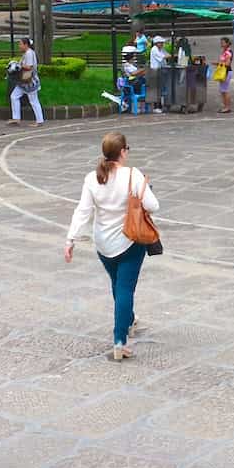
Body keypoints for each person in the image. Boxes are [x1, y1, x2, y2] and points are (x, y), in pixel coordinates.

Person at [66, 131, 159, 361]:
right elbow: (153, 205)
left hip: (103, 243)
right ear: (123, 152)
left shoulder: (92, 178)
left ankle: (128, 319)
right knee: (125, 289)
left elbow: (83, 211)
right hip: (129, 239)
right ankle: (120, 340)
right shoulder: (132, 175)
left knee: (118, 285)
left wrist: (71, 239)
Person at [9, 36, 44, 124]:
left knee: (34, 101)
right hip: (23, 82)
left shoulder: (29, 53)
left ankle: (40, 121)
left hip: (30, 82)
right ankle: (16, 119)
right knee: (14, 96)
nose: (19, 46)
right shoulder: (26, 53)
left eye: (20, 44)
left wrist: (17, 65)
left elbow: (29, 67)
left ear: (26, 45)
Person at [148, 35, 170, 114]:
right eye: (160, 43)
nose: (162, 44)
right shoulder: (154, 50)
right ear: (156, 43)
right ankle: (156, 106)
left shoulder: (161, 49)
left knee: (160, 89)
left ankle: (161, 105)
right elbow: (163, 57)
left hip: (161, 70)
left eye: (162, 43)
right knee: (157, 89)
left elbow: (167, 54)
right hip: (155, 71)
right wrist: (169, 56)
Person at [216, 36, 234, 112]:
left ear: (227, 43)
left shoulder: (228, 52)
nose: (221, 44)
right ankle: (225, 106)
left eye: (223, 42)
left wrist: (220, 64)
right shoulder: (225, 51)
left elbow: (228, 63)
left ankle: (227, 107)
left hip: (226, 72)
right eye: (221, 42)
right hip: (224, 71)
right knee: (222, 90)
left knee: (225, 90)